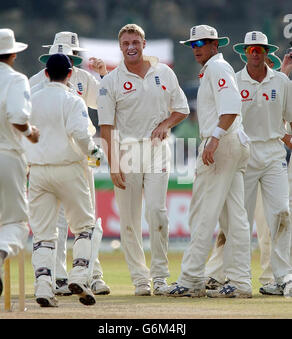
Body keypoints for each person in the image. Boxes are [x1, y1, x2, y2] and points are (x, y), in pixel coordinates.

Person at [98, 23, 190, 296]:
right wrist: (113, 164)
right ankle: (140, 279)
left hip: (157, 149)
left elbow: (182, 109)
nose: (131, 47)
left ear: (144, 44)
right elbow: (106, 127)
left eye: (135, 42)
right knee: (129, 220)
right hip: (126, 152)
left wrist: (166, 123)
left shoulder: (164, 73)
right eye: (126, 43)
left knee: (157, 213)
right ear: (120, 47)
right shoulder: (110, 81)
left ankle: (160, 277)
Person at [165, 24, 252, 298]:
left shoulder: (217, 68)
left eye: (202, 43)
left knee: (203, 213)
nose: (197, 48)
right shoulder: (214, 69)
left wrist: (213, 138)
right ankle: (240, 282)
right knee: (234, 218)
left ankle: (191, 280)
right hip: (231, 142)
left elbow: (231, 108)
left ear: (215, 44)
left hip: (222, 143)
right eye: (193, 44)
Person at [204, 31, 292, 297]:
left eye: (260, 49)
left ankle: (283, 277)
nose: (255, 53)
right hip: (245, 155)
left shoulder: (282, 81)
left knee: (281, 214)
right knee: (238, 221)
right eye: (251, 49)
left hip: (274, 154)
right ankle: (227, 276)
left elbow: (289, 120)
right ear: (244, 52)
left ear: (267, 52)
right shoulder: (234, 80)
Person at [29, 31, 110, 296]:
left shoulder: (36, 94)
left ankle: (45, 284)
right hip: (72, 165)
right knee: (85, 225)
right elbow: (81, 133)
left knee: (44, 231)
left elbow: (20, 129)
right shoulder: (69, 96)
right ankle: (75, 275)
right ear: (68, 71)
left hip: (40, 168)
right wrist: (96, 154)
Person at [0, 28, 39, 300]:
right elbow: (18, 117)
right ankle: (0, 251)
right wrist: (31, 132)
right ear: (12, 55)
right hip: (6, 155)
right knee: (17, 223)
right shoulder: (15, 78)